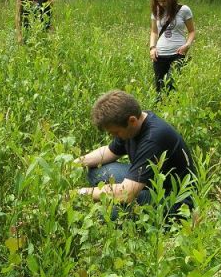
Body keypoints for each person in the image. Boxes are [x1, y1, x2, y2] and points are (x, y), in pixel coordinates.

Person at [75, 90, 194, 220]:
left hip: (175, 199)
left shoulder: (153, 139)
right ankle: (119, 194)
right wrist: (73, 164)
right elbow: (109, 152)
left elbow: (126, 193)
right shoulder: (135, 124)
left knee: (108, 213)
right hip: (151, 182)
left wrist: (81, 193)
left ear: (132, 121)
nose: (114, 137)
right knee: (96, 171)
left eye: (115, 133)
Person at [149, 0, 196, 94]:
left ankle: (173, 110)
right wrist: (152, 48)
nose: (161, 3)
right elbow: (154, 32)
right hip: (159, 55)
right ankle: (160, 109)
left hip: (178, 53)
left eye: (164, 0)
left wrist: (187, 45)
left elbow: (192, 31)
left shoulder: (184, 10)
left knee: (172, 84)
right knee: (159, 87)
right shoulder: (156, 11)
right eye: (158, 1)